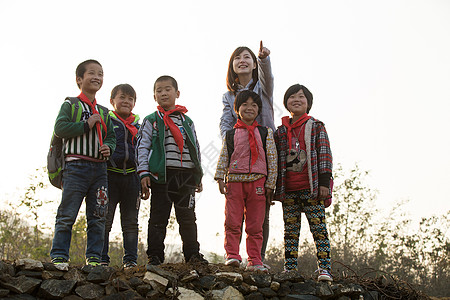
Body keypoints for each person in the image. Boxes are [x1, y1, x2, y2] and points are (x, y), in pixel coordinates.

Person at [50, 59, 116, 268]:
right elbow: (60, 128)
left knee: (98, 215)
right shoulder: (70, 104)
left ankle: (94, 258)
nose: (97, 77)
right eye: (92, 73)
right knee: (67, 213)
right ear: (79, 79)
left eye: (101, 74)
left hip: (100, 170)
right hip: (75, 167)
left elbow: (111, 137)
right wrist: (86, 124)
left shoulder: (105, 112)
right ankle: (59, 255)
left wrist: (109, 147)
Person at [136, 75, 208, 266]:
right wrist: (144, 172)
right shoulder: (151, 120)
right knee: (158, 217)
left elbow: (196, 147)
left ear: (177, 93)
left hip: (185, 176)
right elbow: (142, 146)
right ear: (154, 96)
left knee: (187, 217)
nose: (163, 93)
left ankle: (192, 254)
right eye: (159, 91)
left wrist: (198, 174)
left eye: (167, 89)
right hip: (162, 175)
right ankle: (155, 256)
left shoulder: (187, 121)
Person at [220, 41, 275, 264]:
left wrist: (264, 60)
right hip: (239, 157)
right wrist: (231, 143)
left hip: (264, 150)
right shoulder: (228, 96)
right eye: (237, 58)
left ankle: (257, 258)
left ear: (253, 64)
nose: (242, 61)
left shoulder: (262, 89)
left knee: (261, 210)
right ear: (232, 66)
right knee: (234, 211)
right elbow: (225, 123)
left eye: (247, 57)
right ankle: (233, 255)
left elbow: (267, 78)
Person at [274, 84, 333, 281]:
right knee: (290, 232)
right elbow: (274, 159)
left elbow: (325, 154)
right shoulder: (281, 131)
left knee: (319, 229)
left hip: (312, 188)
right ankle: (290, 269)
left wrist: (325, 183)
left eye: (301, 97)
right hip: (289, 190)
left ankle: (324, 268)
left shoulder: (316, 126)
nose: (296, 100)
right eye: (292, 97)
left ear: (308, 103)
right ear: (286, 103)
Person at [215, 90, 277, 272]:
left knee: (255, 224)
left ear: (259, 110)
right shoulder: (230, 135)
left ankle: (255, 259)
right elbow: (224, 156)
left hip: (258, 182)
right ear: (236, 109)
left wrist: (270, 183)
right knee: (232, 221)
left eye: (254, 105)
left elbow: (272, 159)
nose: (249, 108)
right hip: (234, 182)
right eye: (244, 104)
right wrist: (220, 176)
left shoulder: (266, 133)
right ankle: (232, 255)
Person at [101, 84, 140, 269]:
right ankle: (101, 259)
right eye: (122, 97)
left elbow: (143, 153)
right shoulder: (106, 121)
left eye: (130, 99)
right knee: (104, 219)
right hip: (109, 176)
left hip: (132, 178)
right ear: (112, 101)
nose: (126, 101)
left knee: (131, 222)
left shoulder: (138, 126)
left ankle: (130, 260)